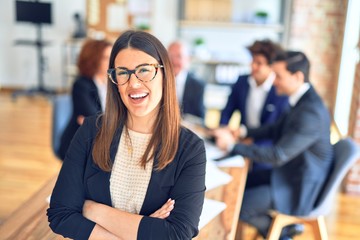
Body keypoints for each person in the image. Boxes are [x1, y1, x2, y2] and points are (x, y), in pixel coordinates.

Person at [47, 30, 207, 240]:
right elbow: (60, 215)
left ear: (165, 73)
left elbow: (177, 233)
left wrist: (93, 210)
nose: (133, 83)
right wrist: (142, 229)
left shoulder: (190, 148)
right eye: (123, 72)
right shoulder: (91, 130)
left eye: (144, 70)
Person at [212, 51, 333, 239]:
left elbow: (277, 155)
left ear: (297, 76)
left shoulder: (310, 113)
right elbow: (274, 129)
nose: (273, 80)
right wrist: (243, 132)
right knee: (235, 187)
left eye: (278, 76)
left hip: (298, 187)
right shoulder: (301, 100)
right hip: (289, 174)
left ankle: (284, 233)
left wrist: (231, 146)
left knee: (238, 206)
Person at [218, 40, 289, 187]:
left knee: (249, 183)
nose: (253, 66)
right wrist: (223, 129)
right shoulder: (242, 81)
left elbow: (275, 130)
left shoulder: (280, 91)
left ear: (271, 67)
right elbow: (227, 110)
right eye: (252, 61)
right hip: (240, 140)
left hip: (264, 150)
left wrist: (251, 141)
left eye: (259, 63)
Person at [58, 38, 112, 160]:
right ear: (94, 59)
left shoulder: (112, 84)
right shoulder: (81, 85)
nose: (111, 62)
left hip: (102, 139)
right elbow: (94, 118)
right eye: (106, 57)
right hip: (80, 142)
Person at [168, 40, 206, 120]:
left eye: (179, 56)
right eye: (170, 56)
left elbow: (199, 118)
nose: (174, 61)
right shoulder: (159, 81)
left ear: (187, 59)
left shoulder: (198, 85)